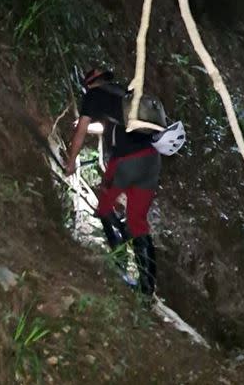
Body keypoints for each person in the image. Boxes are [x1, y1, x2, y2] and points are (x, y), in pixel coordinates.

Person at [65, 68, 167, 298]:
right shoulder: (124, 95)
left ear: (88, 84)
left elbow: (81, 131)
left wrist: (71, 161)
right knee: (138, 222)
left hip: (125, 162)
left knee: (103, 208)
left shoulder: (92, 96)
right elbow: (111, 126)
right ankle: (147, 289)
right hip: (151, 160)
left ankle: (118, 259)